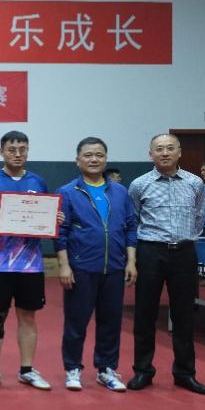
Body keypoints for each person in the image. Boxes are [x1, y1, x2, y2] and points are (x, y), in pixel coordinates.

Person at [0, 130, 62, 391]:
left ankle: (26, 369)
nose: (17, 154)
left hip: (30, 263)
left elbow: (44, 219)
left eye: (22, 149)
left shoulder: (38, 181)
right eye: (12, 149)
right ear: (1, 151)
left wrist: (54, 220)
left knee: (28, 316)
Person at [55, 137, 137, 392]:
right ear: (77, 160)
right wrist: (64, 265)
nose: (94, 159)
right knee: (76, 322)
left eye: (99, 155)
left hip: (115, 267)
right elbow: (60, 232)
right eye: (88, 155)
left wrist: (131, 261)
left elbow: (130, 227)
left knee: (111, 322)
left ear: (106, 159)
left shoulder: (120, 192)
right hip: (81, 268)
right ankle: (72, 369)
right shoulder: (67, 192)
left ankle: (106, 369)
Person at [126, 133, 205, 394]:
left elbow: (198, 216)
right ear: (150, 154)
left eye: (170, 148)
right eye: (159, 149)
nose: (164, 153)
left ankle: (185, 373)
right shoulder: (139, 184)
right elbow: (133, 219)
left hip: (184, 253)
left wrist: (185, 238)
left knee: (184, 315)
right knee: (145, 314)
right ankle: (143, 371)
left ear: (179, 152)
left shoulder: (195, 183)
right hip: (150, 252)